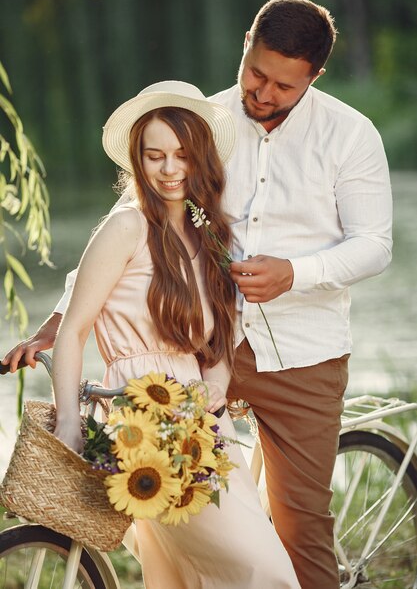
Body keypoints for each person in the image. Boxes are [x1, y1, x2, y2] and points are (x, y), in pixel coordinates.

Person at [3, 0, 393, 589]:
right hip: (198, 356)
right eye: (256, 73)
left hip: (304, 354)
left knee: (298, 529)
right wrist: (60, 321)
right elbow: (125, 226)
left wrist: (296, 272)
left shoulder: (350, 135)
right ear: (244, 44)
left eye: (283, 86)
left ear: (314, 76)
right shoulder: (198, 122)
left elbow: (375, 245)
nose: (262, 93)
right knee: (181, 521)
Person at [48, 81, 301, 589]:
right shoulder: (126, 227)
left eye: (182, 155)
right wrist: (71, 424)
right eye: (155, 155)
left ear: (200, 157)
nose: (169, 169)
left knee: (194, 572)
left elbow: (220, 330)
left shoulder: (205, 229)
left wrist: (220, 377)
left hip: (200, 422)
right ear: (137, 161)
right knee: (262, 571)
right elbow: (72, 331)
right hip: (141, 421)